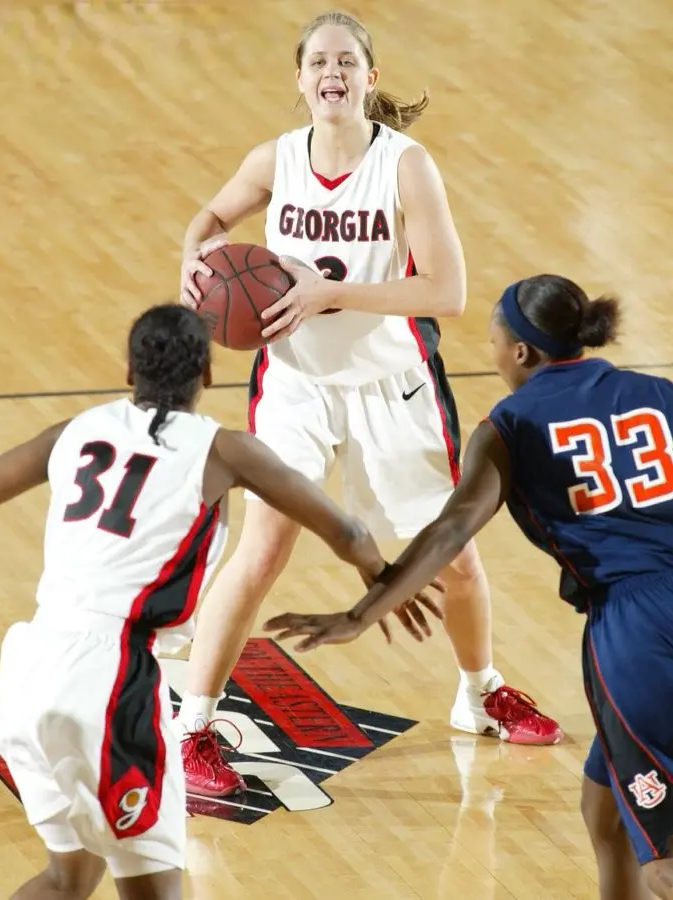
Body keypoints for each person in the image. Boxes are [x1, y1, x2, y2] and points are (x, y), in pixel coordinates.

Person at [178, 9, 561, 796]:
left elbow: (446, 292)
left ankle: (479, 693)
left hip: (394, 384)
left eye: (348, 61)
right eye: (319, 60)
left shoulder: (406, 166)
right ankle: (192, 727)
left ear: (369, 78)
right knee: (263, 550)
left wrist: (329, 292)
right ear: (300, 79)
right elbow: (212, 219)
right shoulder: (275, 159)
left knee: (454, 559)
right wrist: (194, 257)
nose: (333, 72)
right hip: (295, 383)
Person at [0, 303, 434, 900]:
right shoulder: (223, 450)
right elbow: (351, 534)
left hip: (28, 669)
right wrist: (382, 580)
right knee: (154, 890)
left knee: (67, 877)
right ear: (207, 373)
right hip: (112, 679)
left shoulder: (73, 430)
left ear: (129, 368)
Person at [265, 273, 673, 900]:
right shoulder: (657, 391)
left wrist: (364, 612)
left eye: (492, 344)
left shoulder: (511, 423)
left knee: (664, 857)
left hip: (635, 630)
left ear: (520, 353)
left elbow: (454, 528)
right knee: (604, 806)